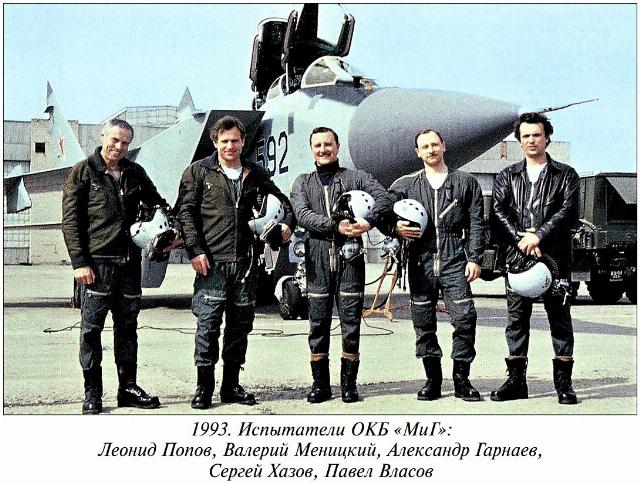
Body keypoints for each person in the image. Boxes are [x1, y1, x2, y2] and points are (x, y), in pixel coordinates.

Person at [177, 115, 294, 410]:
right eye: (225, 141)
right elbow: (186, 213)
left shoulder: (255, 173)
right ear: (215, 142)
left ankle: (230, 386)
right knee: (208, 327)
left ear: (243, 142)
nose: (230, 146)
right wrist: (195, 250)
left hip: (245, 265)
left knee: (240, 328)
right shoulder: (198, 172)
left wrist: (287, 225)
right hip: (212, 264)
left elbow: (283, 202)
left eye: (235, 141)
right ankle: (204, 388)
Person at [62, 118, 178, 414]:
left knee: (128, 329)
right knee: (91, 331)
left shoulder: (135, 172)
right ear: (102, 136)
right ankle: (92, 393)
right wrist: (79, 262)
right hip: (97, 266)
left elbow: (159, 203)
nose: (119, 147)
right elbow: (71, 222)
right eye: (114, 140)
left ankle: (128, 388)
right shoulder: (83, 172)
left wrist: (172, 231)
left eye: (125, 143)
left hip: (129, 265)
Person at [290, 127, 392, 403]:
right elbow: (302, 215)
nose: (323, 150)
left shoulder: (356, 178)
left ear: (337, 147)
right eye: (318, 145)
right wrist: (336, 226)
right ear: (312, 149)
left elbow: (384, 198)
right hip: (317, 259)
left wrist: (368, 222)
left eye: (328, 144)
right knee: (317, 325)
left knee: (351, 323)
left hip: (351, 260)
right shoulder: (302, 182)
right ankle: (320, 385)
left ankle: (349, 385)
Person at [386, 129, 485, 402]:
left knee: (465, 318)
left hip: (455, 258)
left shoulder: (466, 183)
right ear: (417, 152)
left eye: (434, 144)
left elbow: (477, 224)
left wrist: (474, 258)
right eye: (425, 146)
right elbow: (383, 213)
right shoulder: (405, 185)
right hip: (421, 259)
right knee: (423, 322)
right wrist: (396, 229)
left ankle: (462, 380)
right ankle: (433, 380)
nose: (431, 150)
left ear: (444, 146)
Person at [490, 112, 579, 404]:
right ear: (519, 140)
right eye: (526, 136)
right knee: (516, 321)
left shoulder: (566, 175)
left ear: (547, 137)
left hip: (555, 260)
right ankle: (516, 383)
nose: (531, 140)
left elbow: (568, 212)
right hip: (517, 260)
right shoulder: (507, 176)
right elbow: (498, 212)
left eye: (537, 135)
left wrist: (539, 236)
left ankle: (564, 385)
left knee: (560, 320)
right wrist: (522, 240)